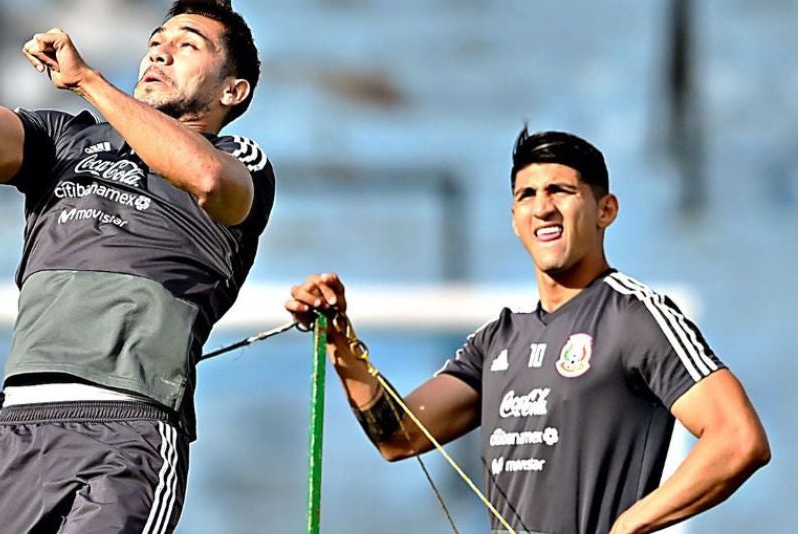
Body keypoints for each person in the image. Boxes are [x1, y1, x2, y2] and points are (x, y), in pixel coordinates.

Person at [0, 0, 273, 533]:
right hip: (22, 424)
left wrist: (87, 81)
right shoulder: (65, 140)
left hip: (130, 425)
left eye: (187, 44)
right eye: (155, 42)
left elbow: (208, 180)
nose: (160, 53)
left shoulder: (237, 158)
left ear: (232, 91)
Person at [286, 128, 770, 534]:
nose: (543, 208)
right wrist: (340, 340)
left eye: (561, 190)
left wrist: (628, 527)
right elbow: (398, 437)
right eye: (527, 195)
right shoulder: (495, 340)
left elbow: (738, 438)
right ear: (515, 221)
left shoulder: (634, 315)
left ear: (606, 210)